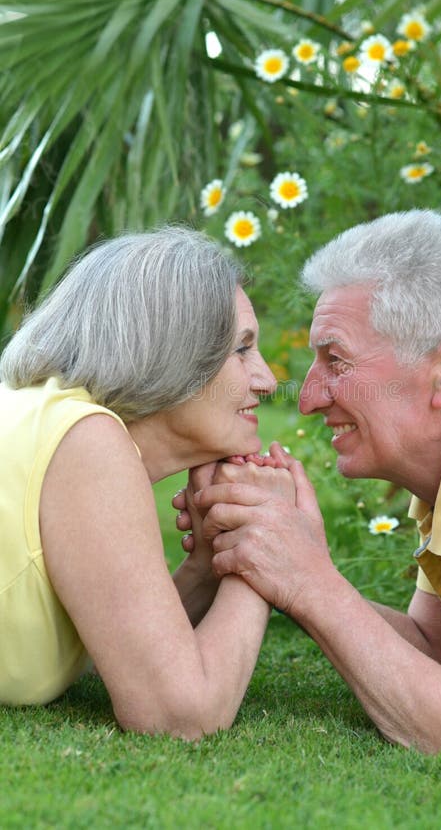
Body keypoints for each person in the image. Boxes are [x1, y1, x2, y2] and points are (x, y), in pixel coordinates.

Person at [186, 209, 441, 763]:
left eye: (336, 361)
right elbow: (437, 652)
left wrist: (307, 579)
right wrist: (286, 564)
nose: (307, 398)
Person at [0, 225, 292, 739]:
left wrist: (205, 566)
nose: (267, 380)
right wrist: (265, 543)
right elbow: (178, 713)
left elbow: (125, 645)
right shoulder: (85, 441)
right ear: (173, 352)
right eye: (242, 350)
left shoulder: (50, 421)